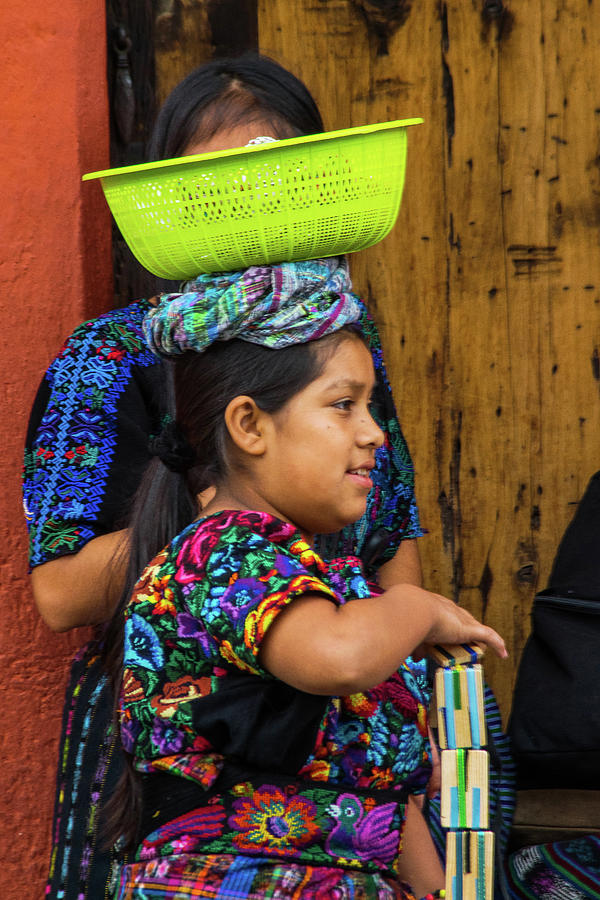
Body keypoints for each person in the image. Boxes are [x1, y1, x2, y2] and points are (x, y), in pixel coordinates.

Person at [23, 55, 426, 900]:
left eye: (276, 168)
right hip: (179, 756)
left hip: (344, 755)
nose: (252, 199)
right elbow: (60, 593)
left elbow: (389, 548)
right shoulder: (106, 359)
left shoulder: (344, 346)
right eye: (219, 176)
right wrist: (220, 512)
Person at [107, 282, 507, 899]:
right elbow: (338, 658)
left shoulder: (329, 585)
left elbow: (381, 805)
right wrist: (416, 605)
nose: (374, 433)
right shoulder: (222, 550)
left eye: (370, 406)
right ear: (249, 425)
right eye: (344, 405)